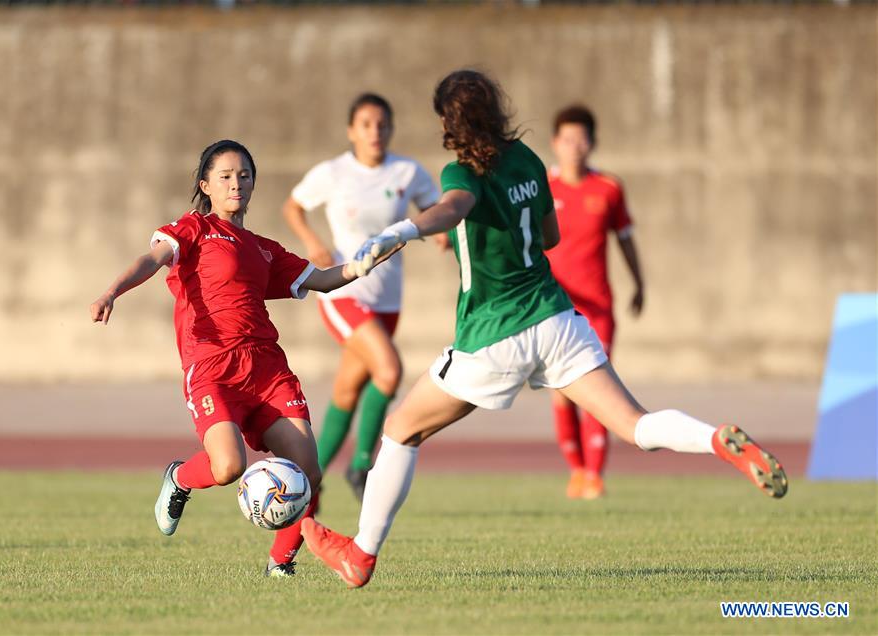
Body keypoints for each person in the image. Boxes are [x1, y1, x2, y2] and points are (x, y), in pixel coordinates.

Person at [301, 70, 788, 589]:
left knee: (401, 430)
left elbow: (451, 209)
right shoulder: (529, 161)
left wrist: (400, 231)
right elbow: (550, 236)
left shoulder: (461, 173)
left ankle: (362, 555)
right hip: (557, 319)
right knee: (635, 425)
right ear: (497, 109)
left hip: (494, 334)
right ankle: (715, 438)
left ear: (450, 122)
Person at [89, 140, 395, 579]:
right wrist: (111, 291)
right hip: (212, 367)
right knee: (229, 467)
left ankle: (280, 566)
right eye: (226, 176)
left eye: (245, 175)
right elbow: (152, 259)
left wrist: (367, 261)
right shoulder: (193, 229)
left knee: (309, 473)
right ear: (206, 185)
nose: (237, 183)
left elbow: (326, 280)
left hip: (267, 370)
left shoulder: (264, 249)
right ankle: (179, 479)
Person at [282, 93, 440, 500]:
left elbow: (435, 211)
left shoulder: (407, 171)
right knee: (388, 370)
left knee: (348, 393)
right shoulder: (334, 173)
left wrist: (444, 237)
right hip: (344, 294)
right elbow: (293, 207)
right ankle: (362, 466)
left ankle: (306, 488)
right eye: (367, 124)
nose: (376, 132)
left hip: (388, 300)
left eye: (383, 124)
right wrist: (313, 242)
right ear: (352, 131)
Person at [544, 104, 645, 500]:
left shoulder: (608, 189)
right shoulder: (541, 188)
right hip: (554, 308)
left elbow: (625, 239)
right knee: (561, 391)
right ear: (555, 143)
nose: (575, 146)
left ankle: (595, 475)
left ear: (592, 143)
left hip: (598, 309)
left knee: (598, 389)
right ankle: (576, 471)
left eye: (581, 139)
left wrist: (640, 283)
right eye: (567, 139)